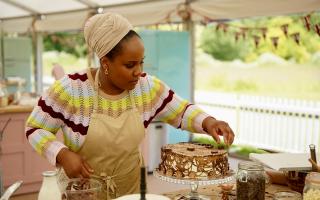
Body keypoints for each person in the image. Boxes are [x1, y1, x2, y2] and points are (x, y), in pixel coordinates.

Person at [25, 12, 235, 199]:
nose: (139, 71)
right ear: (105, 63)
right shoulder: (71, 90)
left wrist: (208, 122)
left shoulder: (146, 88)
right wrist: (62, 154)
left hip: (131, 190)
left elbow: (180, 111)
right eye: (130, 65)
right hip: (83, 192)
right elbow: (35, 128)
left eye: (141, 62)